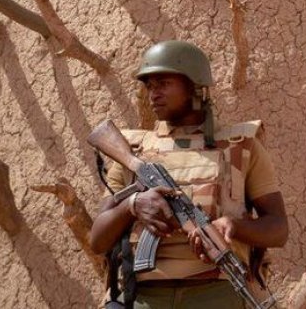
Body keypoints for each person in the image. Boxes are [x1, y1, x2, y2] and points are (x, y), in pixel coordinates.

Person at [90, 40, 289, 308]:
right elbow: (98, 240)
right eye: (149, 86)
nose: (153, 94)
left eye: (163, 84)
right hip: (144, 296)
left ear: (194, 86)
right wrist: (133, 205)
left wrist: (233, 226)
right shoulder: (132, 153)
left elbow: (278, 230)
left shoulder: (241, 147)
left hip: (216, 293)